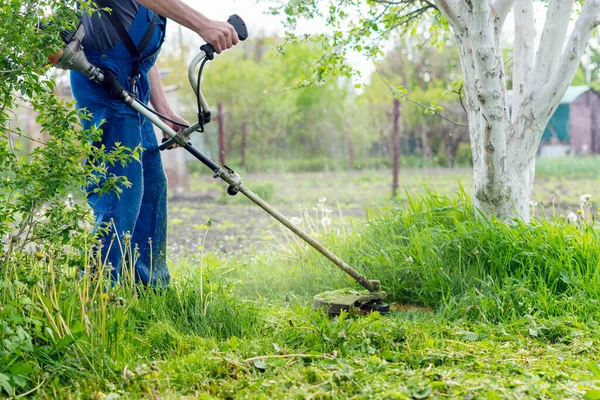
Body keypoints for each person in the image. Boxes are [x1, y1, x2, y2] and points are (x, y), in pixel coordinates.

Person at [71, 0, 239, 286]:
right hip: (106, 85)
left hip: (134, 89)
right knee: (120, 194)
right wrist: (202, 24)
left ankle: (149, 291)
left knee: (151, 189)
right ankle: (101, 296)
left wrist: (165, 111)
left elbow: (140, 54)